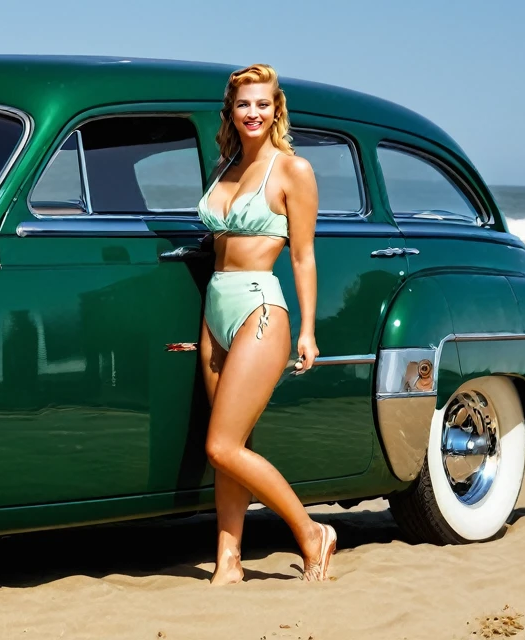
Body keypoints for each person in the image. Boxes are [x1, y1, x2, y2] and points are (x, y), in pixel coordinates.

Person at [196, 63, 334, 584]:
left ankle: (312, 533)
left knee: (220, 446)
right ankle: (228, 560)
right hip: (215, 307)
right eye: (242, 104)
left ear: (277, 109)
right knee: (233, 447)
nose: (252, 112)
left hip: (259, 308)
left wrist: (307, 330)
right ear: (230, 112)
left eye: (262, 103)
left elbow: (303, 256)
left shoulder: (293, 170)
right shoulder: (225, 167)